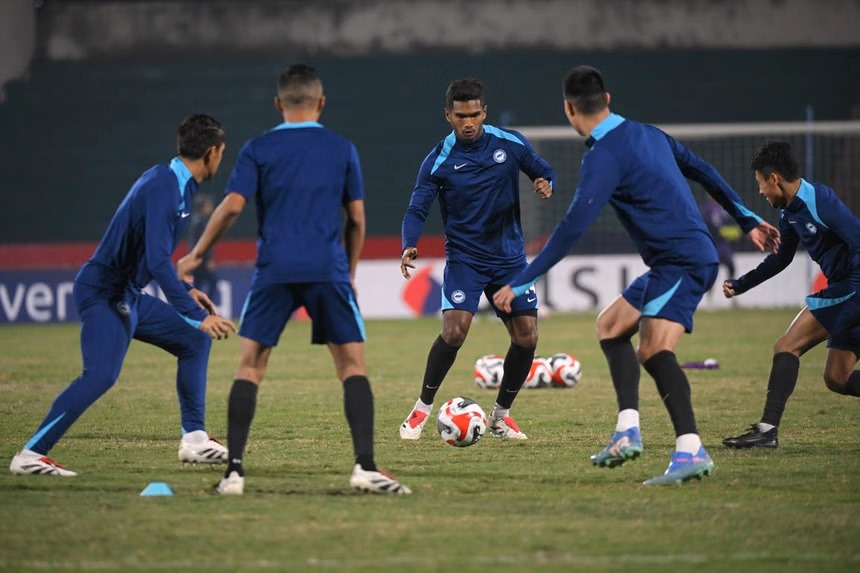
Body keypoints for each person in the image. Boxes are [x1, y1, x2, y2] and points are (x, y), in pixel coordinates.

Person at [492, 66, 780, 485]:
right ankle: (627, 432)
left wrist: (521, 280)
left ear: (569, 109)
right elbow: (704, 171)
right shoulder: (650, 134)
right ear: (607, 99)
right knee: (609, 326)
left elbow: (572, 228)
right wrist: (748, 219)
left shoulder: (602, 156)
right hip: (671, 263)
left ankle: (690, 451)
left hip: (684, 261)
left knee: (653, 349)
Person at [178, 64, 410, 496]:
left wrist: (196, 253)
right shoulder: (342, 148)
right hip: (327, 269)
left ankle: (234, 473)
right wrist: (350, 273)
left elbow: (230, 207)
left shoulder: (258, 148)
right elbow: (356, 219)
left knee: (250, 366)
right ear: (321, 102)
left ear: (277, 104)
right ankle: (366, 468)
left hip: (275, 269)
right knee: (352, 366)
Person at [9, 115, 237, 477]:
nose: (222, 159)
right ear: (211, 152)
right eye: (222, 152)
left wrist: (188, 289)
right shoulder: (165, 187)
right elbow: (160, 264)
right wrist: (197, 314)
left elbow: (152, 255)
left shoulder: (178, 184)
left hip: (126, 292)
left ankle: (195, 440)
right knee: (100, 375)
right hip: (105, 291)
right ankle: (30, 455)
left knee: (194, 342)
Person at [398, 77, 555, 442]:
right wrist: (409, 243)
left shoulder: (510, 143)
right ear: (447, 116)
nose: (468, 123)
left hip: (509, 260)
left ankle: (501, 416)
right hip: (466, 260)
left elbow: (544, 169)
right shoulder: (438, 159)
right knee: (454, 332)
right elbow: (417, 206)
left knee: (527, 337)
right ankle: (421, 410)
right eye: (460, 116)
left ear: (484, 111)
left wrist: (546, 182)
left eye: (474, 115)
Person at [722, 140, 860, 448]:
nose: (760, 192)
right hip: (846, 287)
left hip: (853, 286)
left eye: (760, 184)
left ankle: (767, 430)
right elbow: (780, 259)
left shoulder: (820, 201)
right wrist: (740, 284)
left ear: (774, 179)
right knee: (837, 378)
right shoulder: (788, 213)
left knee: (787, 344)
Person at [700, 195, 740, 280]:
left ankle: (731, 283)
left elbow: (728, 222)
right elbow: (706, 223)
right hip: (712, 242)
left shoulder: (722, 208)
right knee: (711, 264)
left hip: (722, 242)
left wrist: (730, 232)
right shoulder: (707, 209)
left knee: (730, 263)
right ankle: (709, 285)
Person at [186, 193, 218, 301]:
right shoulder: (202, 221)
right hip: (202, 259)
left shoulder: (195, 220)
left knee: (198, 284)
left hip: (196, 258)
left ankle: (197, 308)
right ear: (203, 207)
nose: (210, 207)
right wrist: (208, 259)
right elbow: (204, 242)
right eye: (208, 205)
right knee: (212, 282)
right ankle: (206, 306)